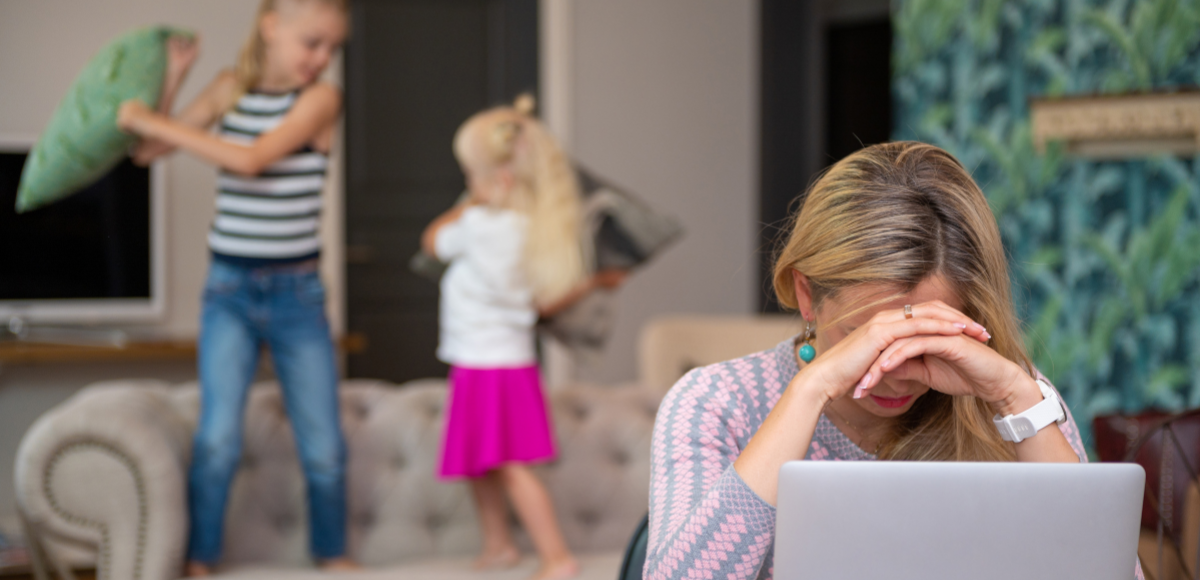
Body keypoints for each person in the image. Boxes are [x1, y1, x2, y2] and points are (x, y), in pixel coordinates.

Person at [642, 142, 1143, 580]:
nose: (897, 371)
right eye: (867, 339)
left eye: (922, 340)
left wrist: (1018, 397)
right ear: (807, 296)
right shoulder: (716, 402)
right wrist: (810, 390)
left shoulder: (1016, 400)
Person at [115, 0, 353, 575]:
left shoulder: (321, 99)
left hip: (299, 296)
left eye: (332, 49)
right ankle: (200, 561)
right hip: (230, 291)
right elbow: (148, 153)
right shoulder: (228, 89)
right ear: (271, 26)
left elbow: (251, 161)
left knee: (322, 447)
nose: (321, 58)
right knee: (217, 438)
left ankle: (333, 555)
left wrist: (149, 119)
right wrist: (173, 82)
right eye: (312, 42)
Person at [421, 97, 610, 580]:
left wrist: (465, 204)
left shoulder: (477, 226)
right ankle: (500, 545)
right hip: (510, 362)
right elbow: (540, 306)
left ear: (498, 182)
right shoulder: (534, 232)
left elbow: (431, 242)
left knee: (505, 465)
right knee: (481, 462)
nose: (467, 186)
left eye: (471, 176)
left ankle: (555, 557)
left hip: (484, 365)